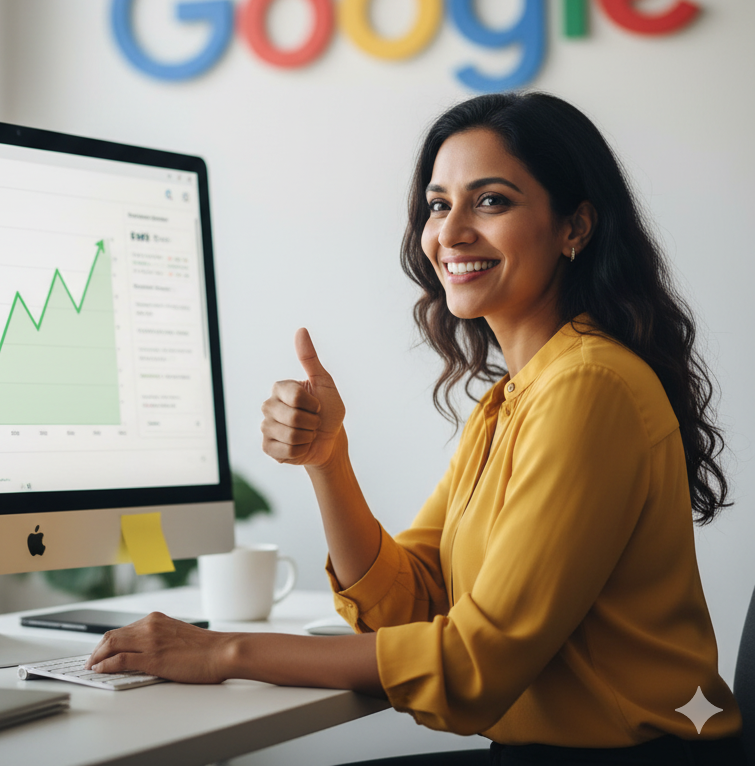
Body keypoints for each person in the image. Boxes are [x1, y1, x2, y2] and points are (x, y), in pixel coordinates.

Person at [87, 93, 745, 764]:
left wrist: (226, 651)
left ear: (574, 227)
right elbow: (409, 604)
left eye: (490, 201)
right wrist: (329, 459)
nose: (451, 232)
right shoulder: (518, 396)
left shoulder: (588, 388)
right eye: (438, 205)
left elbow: (470, 666)